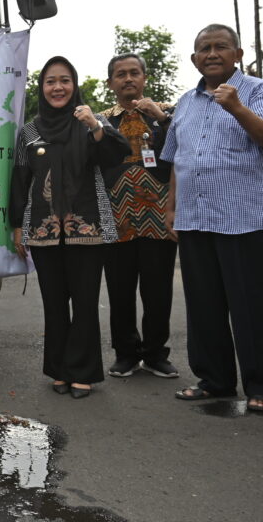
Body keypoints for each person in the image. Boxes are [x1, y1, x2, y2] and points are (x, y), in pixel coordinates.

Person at [163, 24, 263, 413]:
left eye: (221, 47)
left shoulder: (258, 91)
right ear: (194, 58)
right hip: (195, 218)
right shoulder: (185, 102)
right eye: (204, 48)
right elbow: (176, 157)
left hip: (246, 220)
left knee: (253, 306)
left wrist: (235, 106)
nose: (212, 53)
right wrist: (170, 206)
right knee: (204, 305)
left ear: (238, 54)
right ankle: (214, 380)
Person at [10, 56, 130, 399]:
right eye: (50, 81)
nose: (58, 87)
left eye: (64, 80)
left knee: (86, 301)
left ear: (74, 85)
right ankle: (59, 370)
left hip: (88, 227)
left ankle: (83, 372)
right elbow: (21, 179)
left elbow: (116, 155)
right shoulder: (30, 131)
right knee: (54, 303)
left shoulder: (91, 121)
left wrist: (95, 125)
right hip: (44, 229)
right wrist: (18, 225)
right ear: (41, 87)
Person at [100, 53, 180, 379]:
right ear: (111, 83)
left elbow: (183, 149)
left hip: (159, 217)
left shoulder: (168, 114)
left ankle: (156, 354)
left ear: (145, 78)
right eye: (121, 74)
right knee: (119, 292)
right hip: (116, 217)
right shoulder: (102, 120)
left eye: (134, 73)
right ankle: (126, 354)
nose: (128, 79)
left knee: (158, 291)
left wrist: (161, 118)